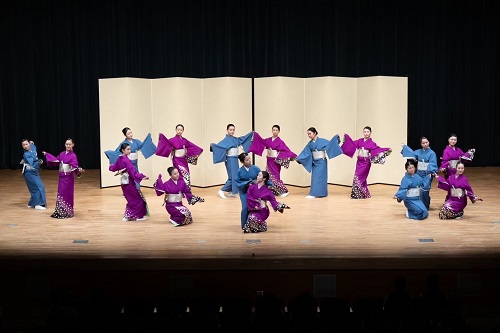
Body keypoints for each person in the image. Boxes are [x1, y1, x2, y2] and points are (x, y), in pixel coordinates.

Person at [342, 126, 392, 199]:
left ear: (370, 133)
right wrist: (346, 138)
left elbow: (378, 150)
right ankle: (364, 194)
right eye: (365, 132)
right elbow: (352, 144)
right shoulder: (359, 141)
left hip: (366, 163)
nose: (366, 133)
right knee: (357, 176)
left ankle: (359, 194)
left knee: (361, 177)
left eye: (367, 132)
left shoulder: (372, 143)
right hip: (359, 162)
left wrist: (387, 149)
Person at [249, 125, 297, 197]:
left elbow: (286, 150)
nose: (275, 131)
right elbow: (261, 142)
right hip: (269, 160)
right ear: (272, 131)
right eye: (273, 130)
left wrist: (293, 156)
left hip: (275, 161)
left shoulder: (280, 142)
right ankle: (273, 191)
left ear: (279, 131)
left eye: (276, 130)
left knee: (276, 176)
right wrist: (255, 135)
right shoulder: (268, 140)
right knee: (268, 176)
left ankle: (284, 191)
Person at [296, 127, 343, 198]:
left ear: (314, 133)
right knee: (315, 178)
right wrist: (299, 159)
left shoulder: (322, 141)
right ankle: (314, 193)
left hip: (322, 162)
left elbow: (331, 144)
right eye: (308, 134)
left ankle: (321, 193)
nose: (309, 135)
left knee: (321, 178)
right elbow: (305, 152)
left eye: (310, 134)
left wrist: (336, 139)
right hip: (315, 162)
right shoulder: (310, 144)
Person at [43, 138, 85, 219]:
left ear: (73, 145)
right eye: (67, 144)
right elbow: (56, 160)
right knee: (61, 193)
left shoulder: (73, 155)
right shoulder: (62, 154)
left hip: (68, 178)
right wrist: (47, 155)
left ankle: (67, 212)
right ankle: (60, 211)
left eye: (70, 144)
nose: (68, 146)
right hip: (61, 177)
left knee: (67, 194)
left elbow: (74, 165)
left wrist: (78, 169)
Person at [210, 124, 253, 199]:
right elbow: (219, 147)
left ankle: (232, 192)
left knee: (234, 176)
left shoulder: (236, 139)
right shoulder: (226, 140)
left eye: (233, 130)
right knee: (233, 177)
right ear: (227, 130)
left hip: (235, 159)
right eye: (230, 130)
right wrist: (212, 146)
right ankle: (222, 190)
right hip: (229, 159)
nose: (232, 131)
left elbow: (243, 139)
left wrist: (251, 134)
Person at [109, 143, 149, 221]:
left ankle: (129, 215)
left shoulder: (120, 159)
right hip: (129, 182)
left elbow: (112, 168)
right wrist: (142, 176)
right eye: (128, 149)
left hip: (124, 183)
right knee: (137, 199)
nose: (129, 151)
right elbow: (133, 172)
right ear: (123, 150)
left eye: (130, 149)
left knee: (132, 199)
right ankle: (135, 216)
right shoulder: (126, 160)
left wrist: (110, 164)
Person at [155, 124, 203, 190]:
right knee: (179, 174)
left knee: (186, 174)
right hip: (176, 160)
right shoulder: (172, 140)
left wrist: (197, 152)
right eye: (178, 130)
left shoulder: (184, 140)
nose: (179, 131)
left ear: (183, 131)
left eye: (181, 130)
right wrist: (161, 137)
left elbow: (191, 146)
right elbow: (165, 143)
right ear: (176, 130)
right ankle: (180, 189)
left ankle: (186, 189)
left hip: (184, 159)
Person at [235, 153, 274, 229]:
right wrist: (247, 183)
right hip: (244, 191)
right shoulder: (239, 171)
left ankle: (256, 223)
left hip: (255, 191)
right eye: (247, 160)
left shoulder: (256, 168)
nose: (249, 161)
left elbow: (263, 177)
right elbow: (238, 182)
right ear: (242, 162)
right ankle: (244, 225)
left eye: (249, 159)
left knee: (257, 206)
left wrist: (270, 184)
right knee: (245, 207)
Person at [400, 136, 438, 210]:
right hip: (419, 173)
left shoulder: (432, 153)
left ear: (429, 142)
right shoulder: (418, 151)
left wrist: (431, 172)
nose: (425, 144)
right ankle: (419, 204)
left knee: (425, 190)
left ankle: (426, 205)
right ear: (421, 144)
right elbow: (411, 154)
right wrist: (405, 148)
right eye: (423, 143)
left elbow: (432, 163)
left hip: (427, 174)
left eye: (426, 142)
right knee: (418, 189)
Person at [21, 139, 47, 210]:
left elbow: (33, 145)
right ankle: (37, 204)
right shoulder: (26, 154)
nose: (25, 146)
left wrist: (32, 143)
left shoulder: (32, 147)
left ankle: (32, 203)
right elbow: (32, 164)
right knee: (38, 188)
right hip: (29, 172)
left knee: (38, 187)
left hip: (34, 172)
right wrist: (39, 162)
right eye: (23, 145)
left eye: (26, 144)